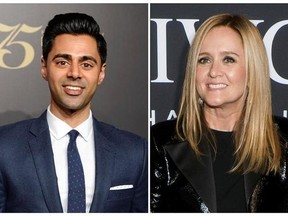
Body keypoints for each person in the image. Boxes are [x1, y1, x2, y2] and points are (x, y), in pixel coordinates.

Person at [0, 12, 148, 213]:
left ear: (101, 73)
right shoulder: (5, 148)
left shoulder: (134, 152)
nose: (75, 73)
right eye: (63, 62)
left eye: (86, 64)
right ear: (44, 67)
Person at [150, 13, 288, 213]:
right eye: (204, 60)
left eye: (229, 59)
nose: (214, 71)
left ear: (252, 70)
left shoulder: (284, 139)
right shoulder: (161, 141)